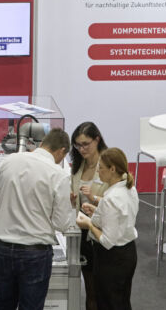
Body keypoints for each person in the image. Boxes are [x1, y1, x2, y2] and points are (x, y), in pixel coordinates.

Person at [0, 128, 76, 310]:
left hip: (3, 247)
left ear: (42, 144)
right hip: (36, 253)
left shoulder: (9, 161)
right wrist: (70, 207)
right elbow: (61, 224)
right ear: (62, 151)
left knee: (3, 304)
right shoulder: (59, 175)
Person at [75, 148, 139, 310]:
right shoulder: (130, 189)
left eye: (101, 168)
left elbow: (107, 241)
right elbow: (119, 218)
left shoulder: (111, 198)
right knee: (122, 302)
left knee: (108, 303)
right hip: (128, 253)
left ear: (112, 169)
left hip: (111, 260)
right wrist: (98, 211)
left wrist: (89, 223)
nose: (98, 171)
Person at [69, 122, 110, 310]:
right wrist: (72, 200)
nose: (82, 149)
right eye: (78, 145)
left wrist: (94, 198)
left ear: (97, 140)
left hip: (105, 234)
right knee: (90, 289)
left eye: (85, 144)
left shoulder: (110, 163)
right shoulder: (79, 164)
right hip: (84, 233)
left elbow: (121, 202)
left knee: (106, 292)